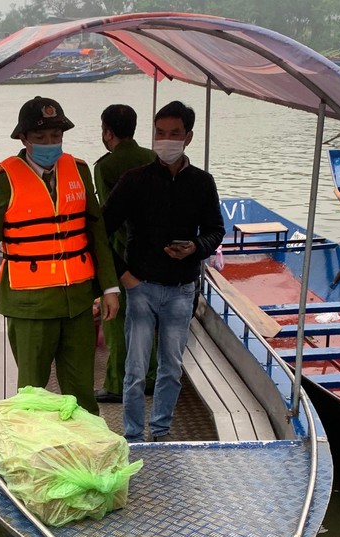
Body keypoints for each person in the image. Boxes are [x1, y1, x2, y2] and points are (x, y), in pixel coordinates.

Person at [0, 96, 120, 414]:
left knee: (81, 390)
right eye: (40, 138)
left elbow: (96, 234)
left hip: (78, 301)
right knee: (33, 392)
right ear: (24, 138)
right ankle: (35, 456)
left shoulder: (79, 171)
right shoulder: (1, 179)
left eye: (56, 137)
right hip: (30, 305)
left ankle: (86, 451)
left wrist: (109, 288)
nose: (49, 144)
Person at [102, 100, 225, 442]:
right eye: (159, 133)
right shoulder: (134, 180)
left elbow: (216, 230)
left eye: (174, 133)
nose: (165, 140)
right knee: (135, 370)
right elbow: (101, 229)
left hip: (182, 289)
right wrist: (123, 275)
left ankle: (160, 431)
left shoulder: (202, 182)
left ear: (188, 136)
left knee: (171, 369)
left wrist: (196, 247)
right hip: (140, 286)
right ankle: (131, 434)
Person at [93, 104, 157, 403]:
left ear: (108, 132)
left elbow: (107, 215)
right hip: (153, 253)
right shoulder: (152, 158)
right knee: (150, 318)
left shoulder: (105, 166)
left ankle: (117, 384)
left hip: (120, 253)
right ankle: (152, 377)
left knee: (116, 320)